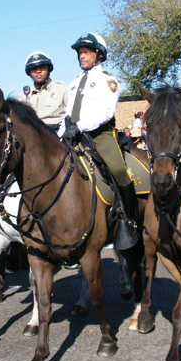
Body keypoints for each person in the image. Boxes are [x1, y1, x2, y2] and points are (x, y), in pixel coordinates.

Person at [58, 32, 139, 249]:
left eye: (87, 52)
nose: (82, 56)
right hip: (74, 133)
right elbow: (68, 113)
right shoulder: (75, 82)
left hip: (100, 135)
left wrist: (79, 127)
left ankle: (131, 221)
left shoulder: (108, 80)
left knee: (119, 170)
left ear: (99, 55)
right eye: (80, 53)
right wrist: (59, 134)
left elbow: (105, 111)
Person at [16, 52, 68, 132]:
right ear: (29, 72)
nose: (38, 71)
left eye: (42, 68)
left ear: (48, 69)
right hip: (32, 136)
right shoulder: (22, 97)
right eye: (34, 68)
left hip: (58, 135)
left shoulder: (62, 89)